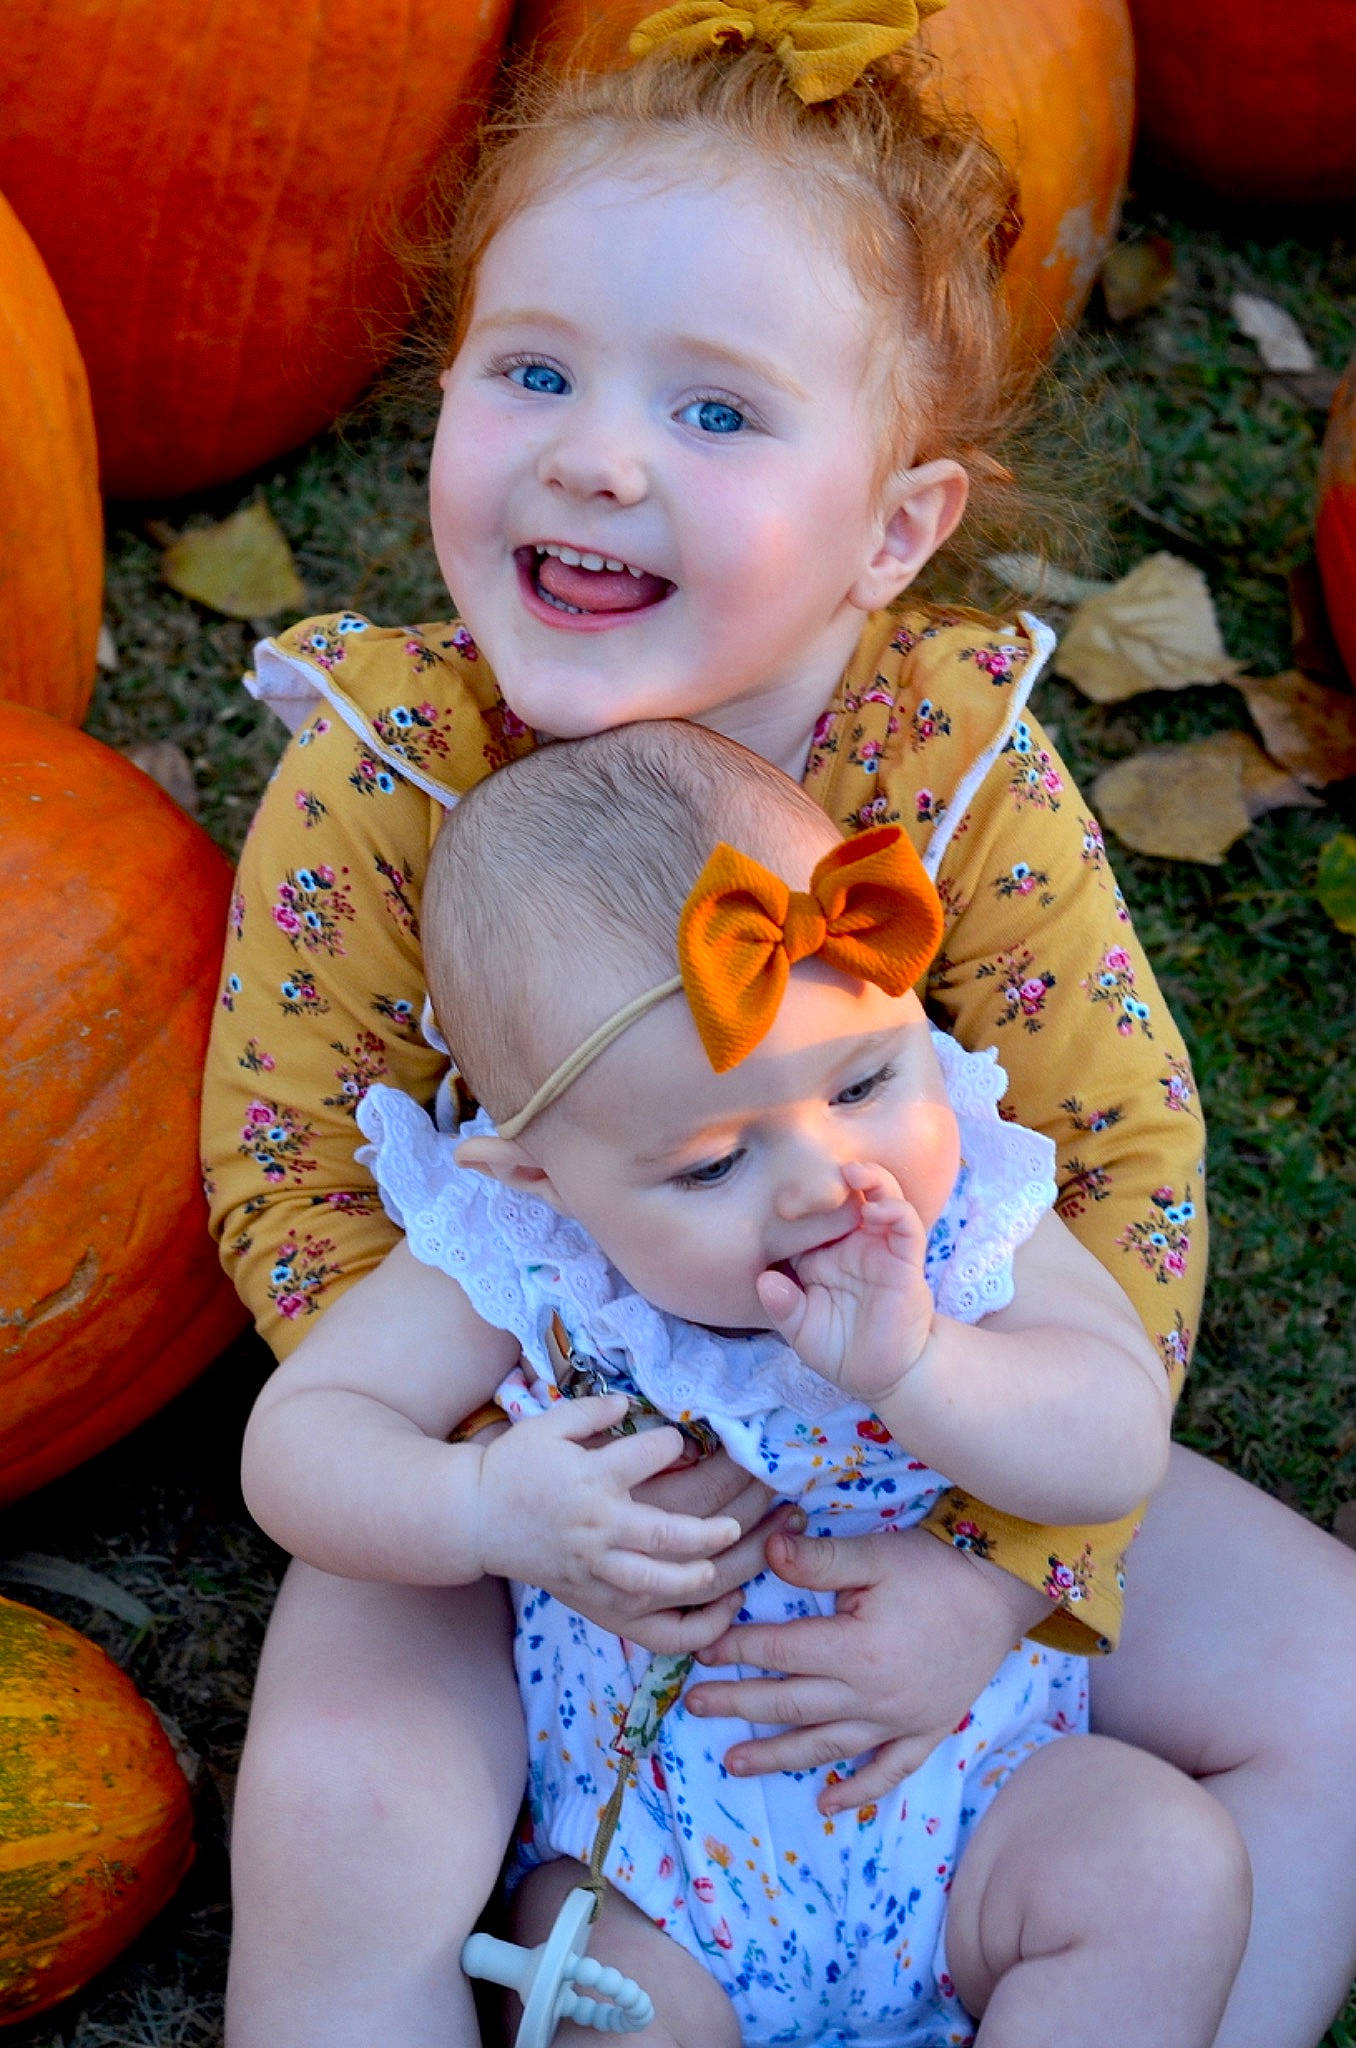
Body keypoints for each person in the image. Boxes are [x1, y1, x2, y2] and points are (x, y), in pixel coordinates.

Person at [203, 5, 1356, 2044]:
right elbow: (291, 1154)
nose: (599, 452)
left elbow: (1122, 1173)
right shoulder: (386, 764)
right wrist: (519, 1468)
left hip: (946, 1417)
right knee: (343, 1783)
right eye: (533, 370)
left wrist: (998, 1566)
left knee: (1335, 1680)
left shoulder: (958, 772)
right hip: (554, 1466)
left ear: (896, 525)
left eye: (719, 415)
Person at [244, 716, 1250, 2047]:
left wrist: (925, 1364)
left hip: (975, 1813)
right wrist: (484, 1503)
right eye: (715, 1165)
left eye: (868, 1079)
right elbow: (302, 1442)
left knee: (1163, 1865)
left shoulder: (967, 1215)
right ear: (541, 1175)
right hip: (653, 1874)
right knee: (609, 1994)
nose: (823, 1180)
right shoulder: (524, 1253)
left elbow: (1114, 1442)